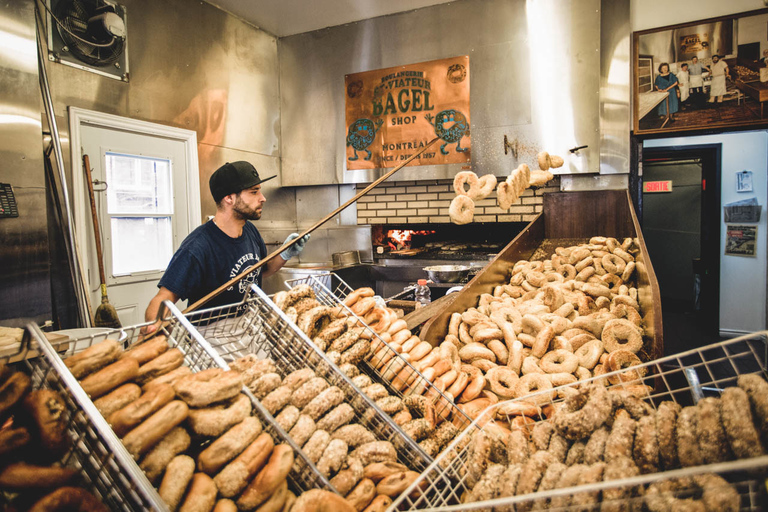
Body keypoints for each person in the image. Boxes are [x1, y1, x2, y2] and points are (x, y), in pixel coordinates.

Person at [142, 161, 309, 334]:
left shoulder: (249, 230)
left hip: (250, 325)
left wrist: (285, 253)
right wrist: (154, 326)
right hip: (213, 336)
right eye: (254, 192)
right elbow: (164, 298)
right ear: (229, 198)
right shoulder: (198, 246)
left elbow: (261, 271)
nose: (262, 198)